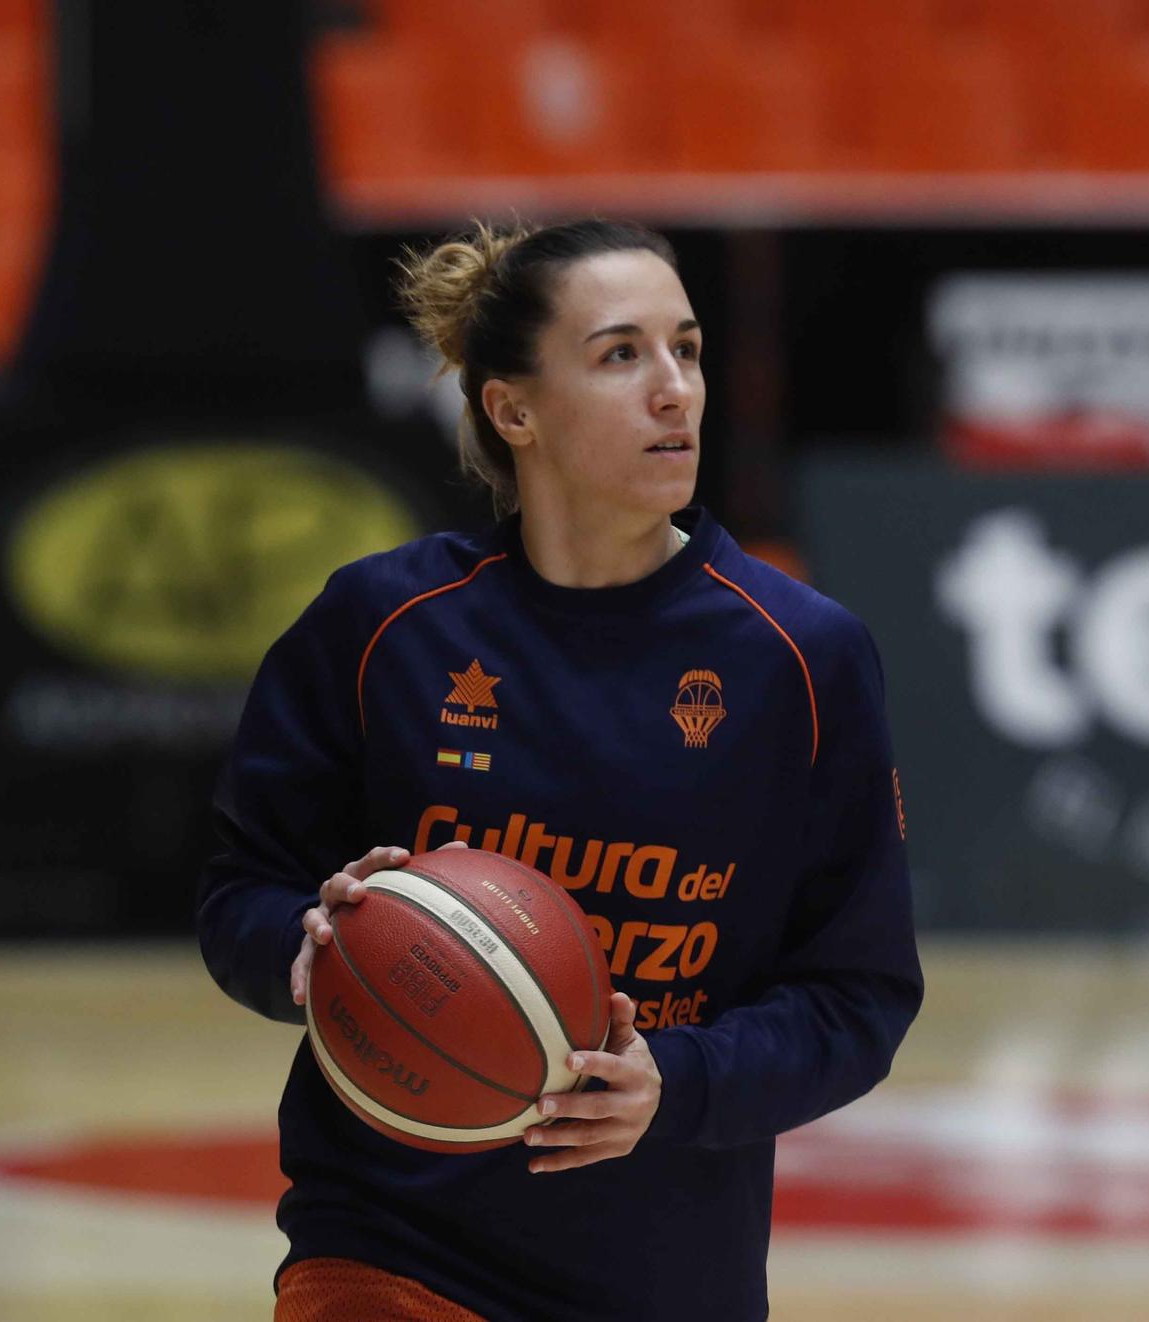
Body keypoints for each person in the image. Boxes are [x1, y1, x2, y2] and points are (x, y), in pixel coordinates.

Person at [196, 218, 923, 1320]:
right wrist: (303, 950)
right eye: (621, 354)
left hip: (664, 1267)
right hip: (389, 1238)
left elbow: (856, 996)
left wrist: (676, 1082)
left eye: (686, 348)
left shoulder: (800, 656)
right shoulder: (383, 625)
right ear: (512, 407)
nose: (674, 389)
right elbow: (241, 890)